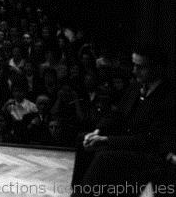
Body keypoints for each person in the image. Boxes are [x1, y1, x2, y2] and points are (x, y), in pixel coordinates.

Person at [71, 46, 174, 195]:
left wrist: (107, 140)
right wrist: (97, 131)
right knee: (83, 139)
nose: (134, 71)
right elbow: (117, 114)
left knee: (104, 157)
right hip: (127, 142)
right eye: (134, 65)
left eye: (140, 67)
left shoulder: (169, 98)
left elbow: (150, 141)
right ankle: (79, 191)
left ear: (158, 68)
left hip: (150, 154)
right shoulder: (136, 86)